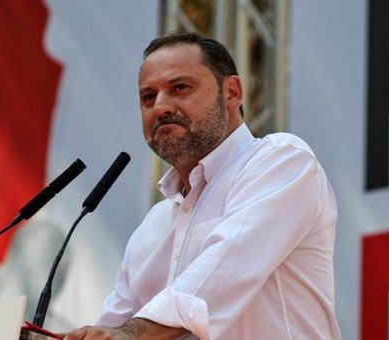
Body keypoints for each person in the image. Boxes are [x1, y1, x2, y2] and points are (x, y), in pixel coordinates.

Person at [65, 32, 341, 339]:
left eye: (179, 88)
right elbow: (113, 330)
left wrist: (134, 334)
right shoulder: (151, 228)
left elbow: (225, 272)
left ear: (232, 93)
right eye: (148, 97)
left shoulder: (281, 160)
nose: (161, 107)